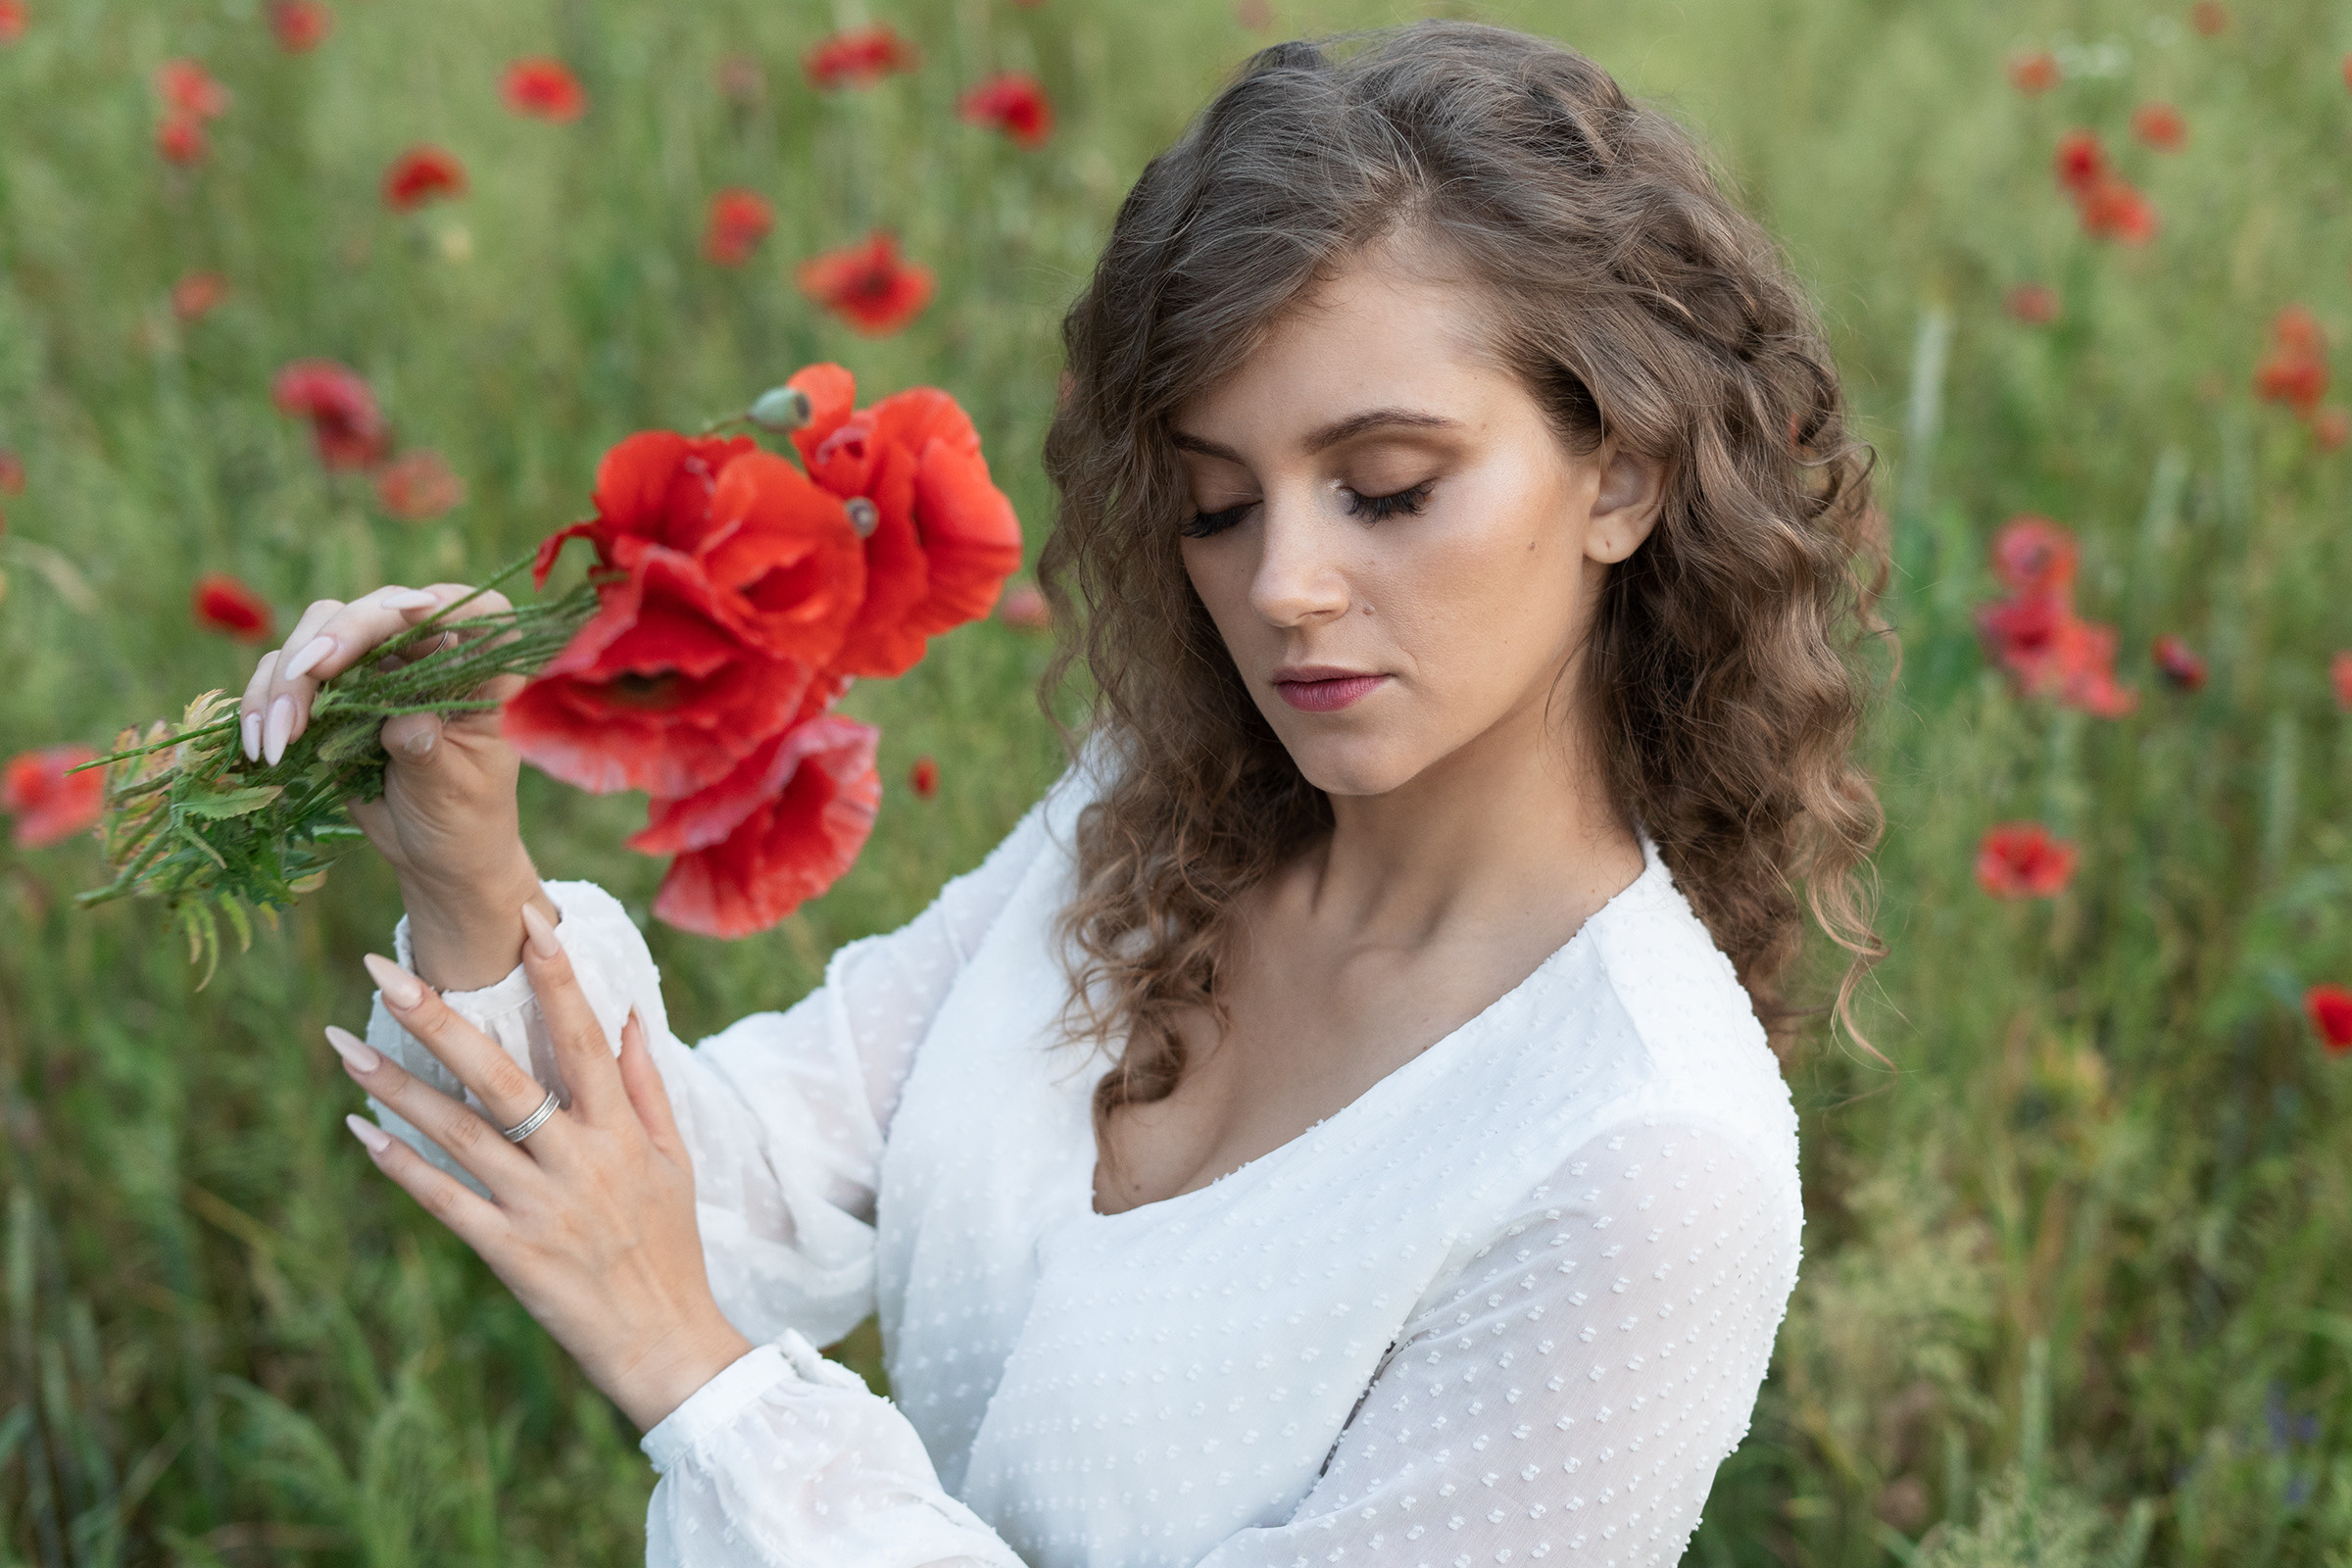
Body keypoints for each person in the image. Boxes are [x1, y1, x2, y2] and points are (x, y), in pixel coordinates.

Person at [237, 22, 1886, 1566]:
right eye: (1217, 507)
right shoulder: (1141, 825)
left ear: (1623, 475)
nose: (1286, 585)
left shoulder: (1645, 1156)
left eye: (1386, 489)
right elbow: (714, 1194)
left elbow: (669, 1295)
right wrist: (468, 862)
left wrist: (701, 1378)